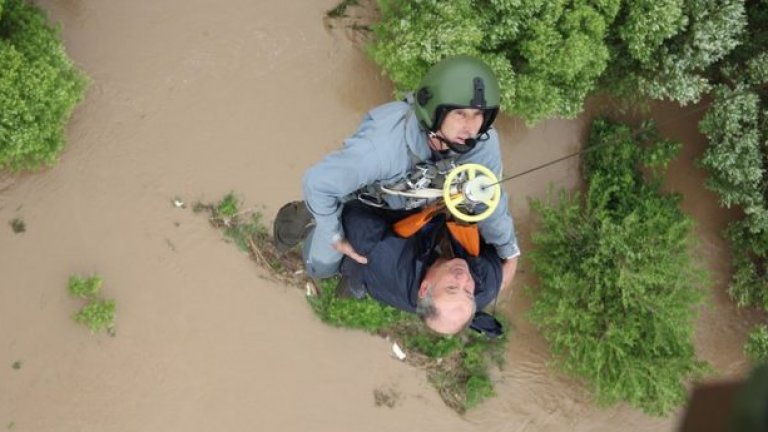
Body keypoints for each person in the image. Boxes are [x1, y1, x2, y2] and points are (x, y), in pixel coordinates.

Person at [296, 54, 520, 292]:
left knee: (367, 277)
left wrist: (509, 250)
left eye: (479, 114)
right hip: (357, 204)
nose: (472, 127)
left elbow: (488, 197)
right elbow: (318, 182)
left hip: (408, 209)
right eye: (460, 114)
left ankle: (355, 279)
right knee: (322, 265)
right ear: (434, 110)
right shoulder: (382, 147)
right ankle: (310, 222)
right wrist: (333, 234)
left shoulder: (481, 144)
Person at [337, 200, 503, 335]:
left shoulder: (381, 250)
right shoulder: (486, 284)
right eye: (468, 292)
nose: (463, 279)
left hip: (373, 270)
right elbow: (506, 256)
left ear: (424, 289)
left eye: (451, 287)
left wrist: (414, 207)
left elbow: (353, 208)